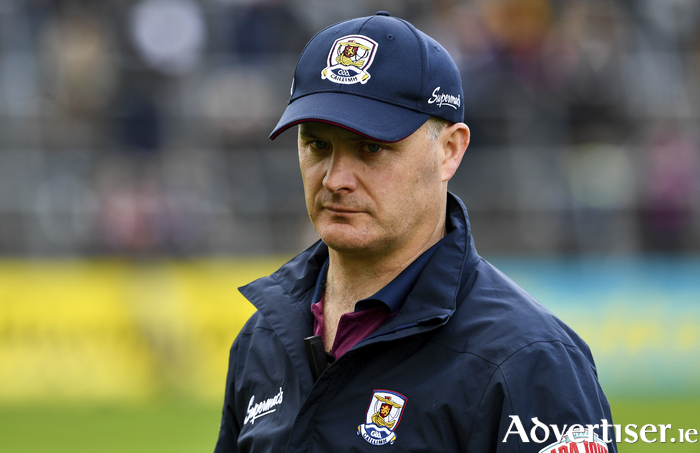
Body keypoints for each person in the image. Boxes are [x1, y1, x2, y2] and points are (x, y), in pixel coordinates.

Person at [214, 12, 616, 453]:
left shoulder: (530, 361)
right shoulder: (263, 338)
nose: (334, 179)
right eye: (317, 145)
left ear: (450, 151)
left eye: (371, 147)